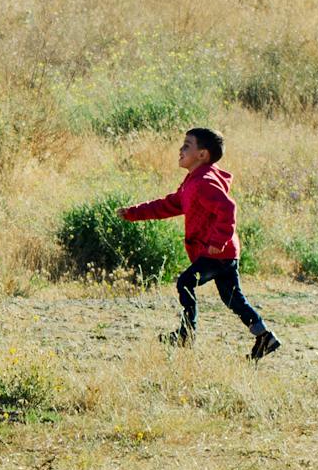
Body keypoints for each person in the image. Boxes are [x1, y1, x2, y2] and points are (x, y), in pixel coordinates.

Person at [121, 128, 283, 360]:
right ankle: (264, 336)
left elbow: (227, 208)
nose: (181, 149)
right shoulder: (194, 181)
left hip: (216, 252)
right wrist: (133, 213)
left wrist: (218, 240)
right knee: (232, 299)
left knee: (186, 282)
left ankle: (186, 333)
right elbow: (170, 205)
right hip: (224, 253)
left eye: (187, 145)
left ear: (202, 155)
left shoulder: (203, 182)